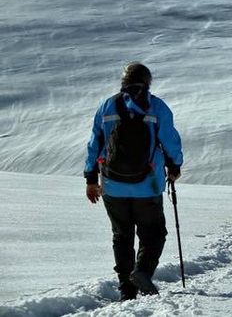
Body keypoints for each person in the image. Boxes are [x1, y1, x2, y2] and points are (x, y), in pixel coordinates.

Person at [84, 63, 183, 300]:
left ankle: (126, 289)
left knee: (122, 235)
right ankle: (142, 272)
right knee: (154, 232)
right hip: (147, 185)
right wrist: (175, 167)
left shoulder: (107, 106)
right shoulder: (156, 106)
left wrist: (90, 179)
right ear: (147, 81)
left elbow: (94, 144)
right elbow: (170, 141)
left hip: (112, 185)